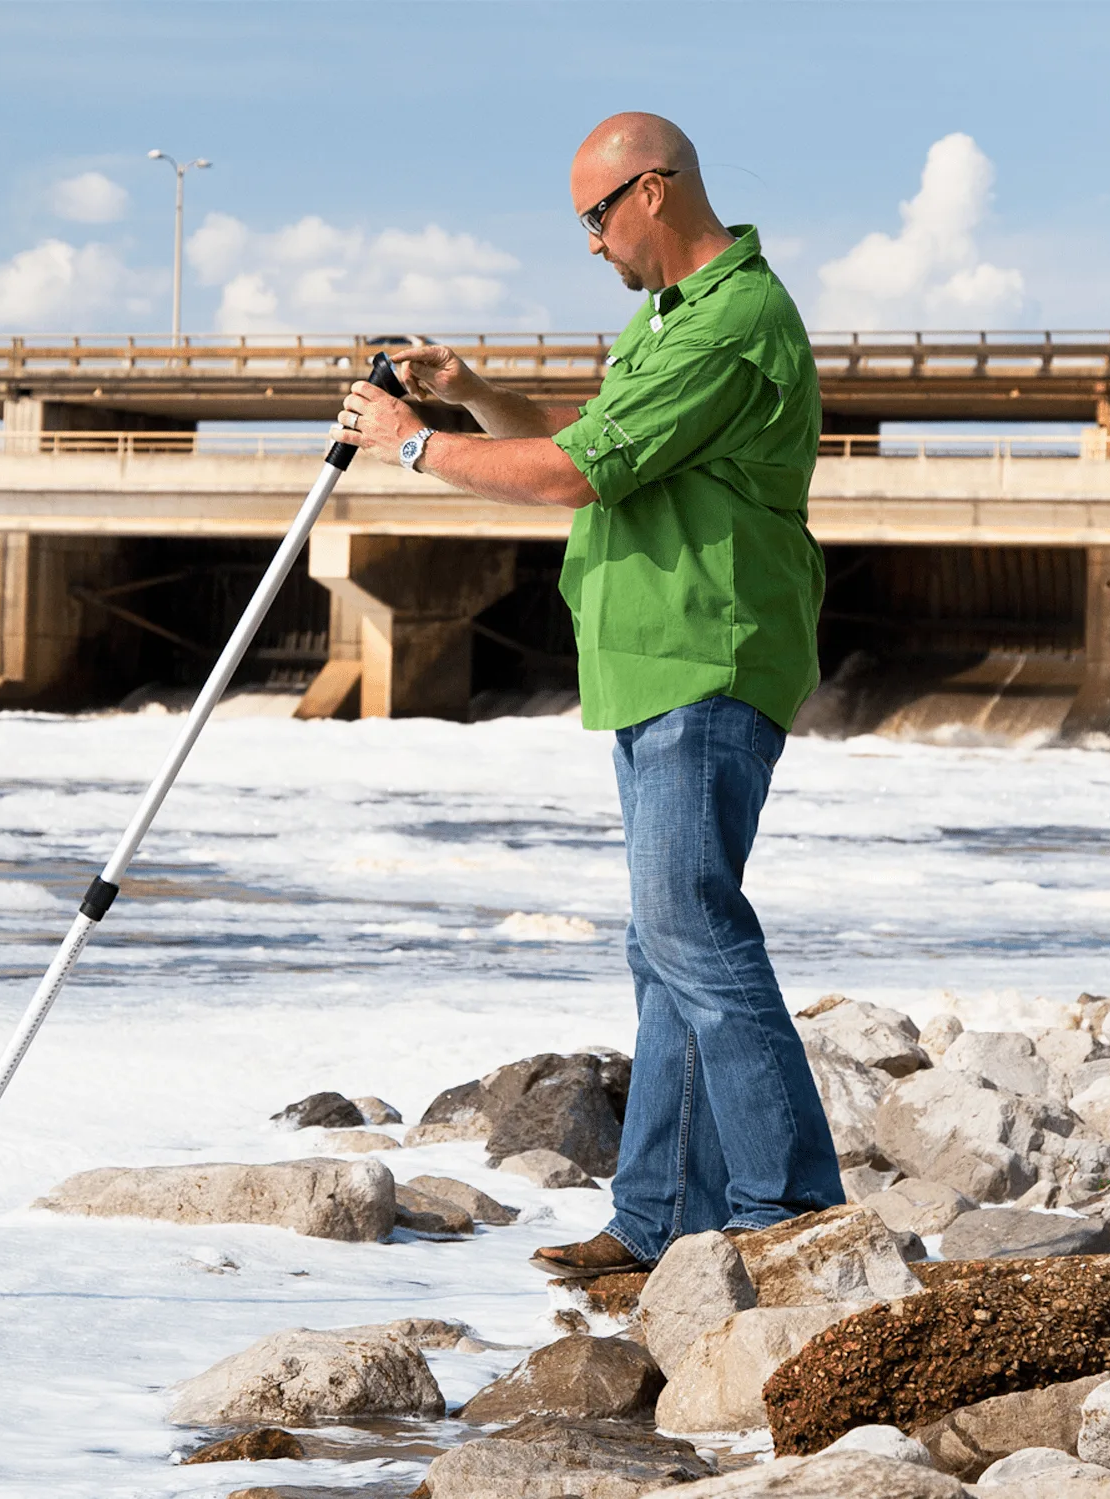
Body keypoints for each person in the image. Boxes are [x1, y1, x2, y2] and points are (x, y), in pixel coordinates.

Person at [332, 111, 843, 1277]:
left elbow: (574, 475)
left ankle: (790, 1209)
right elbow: (586, 440)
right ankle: (658, 1215)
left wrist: (413, 443)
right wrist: (470, 396)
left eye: (595, 218)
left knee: (695, 933)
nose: (592, 244)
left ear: (652, 193)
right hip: (648, 667)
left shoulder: (735, 321)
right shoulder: (667, 324)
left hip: (707, 658)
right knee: (661, 943)